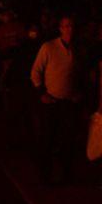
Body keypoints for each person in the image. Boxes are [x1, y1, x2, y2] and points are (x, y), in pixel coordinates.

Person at [31, 15, 81, 184]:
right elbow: (36, 71)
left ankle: (66, 174)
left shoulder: (77, 49)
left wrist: (77, 92)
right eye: (65, 26)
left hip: (69, 101)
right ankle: (45, 175)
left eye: (71, 26)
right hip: (51, 101)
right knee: (48, 139)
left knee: (68, 140)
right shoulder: (49, 47)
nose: (69, 29)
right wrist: (41, 93)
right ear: (60, 28)